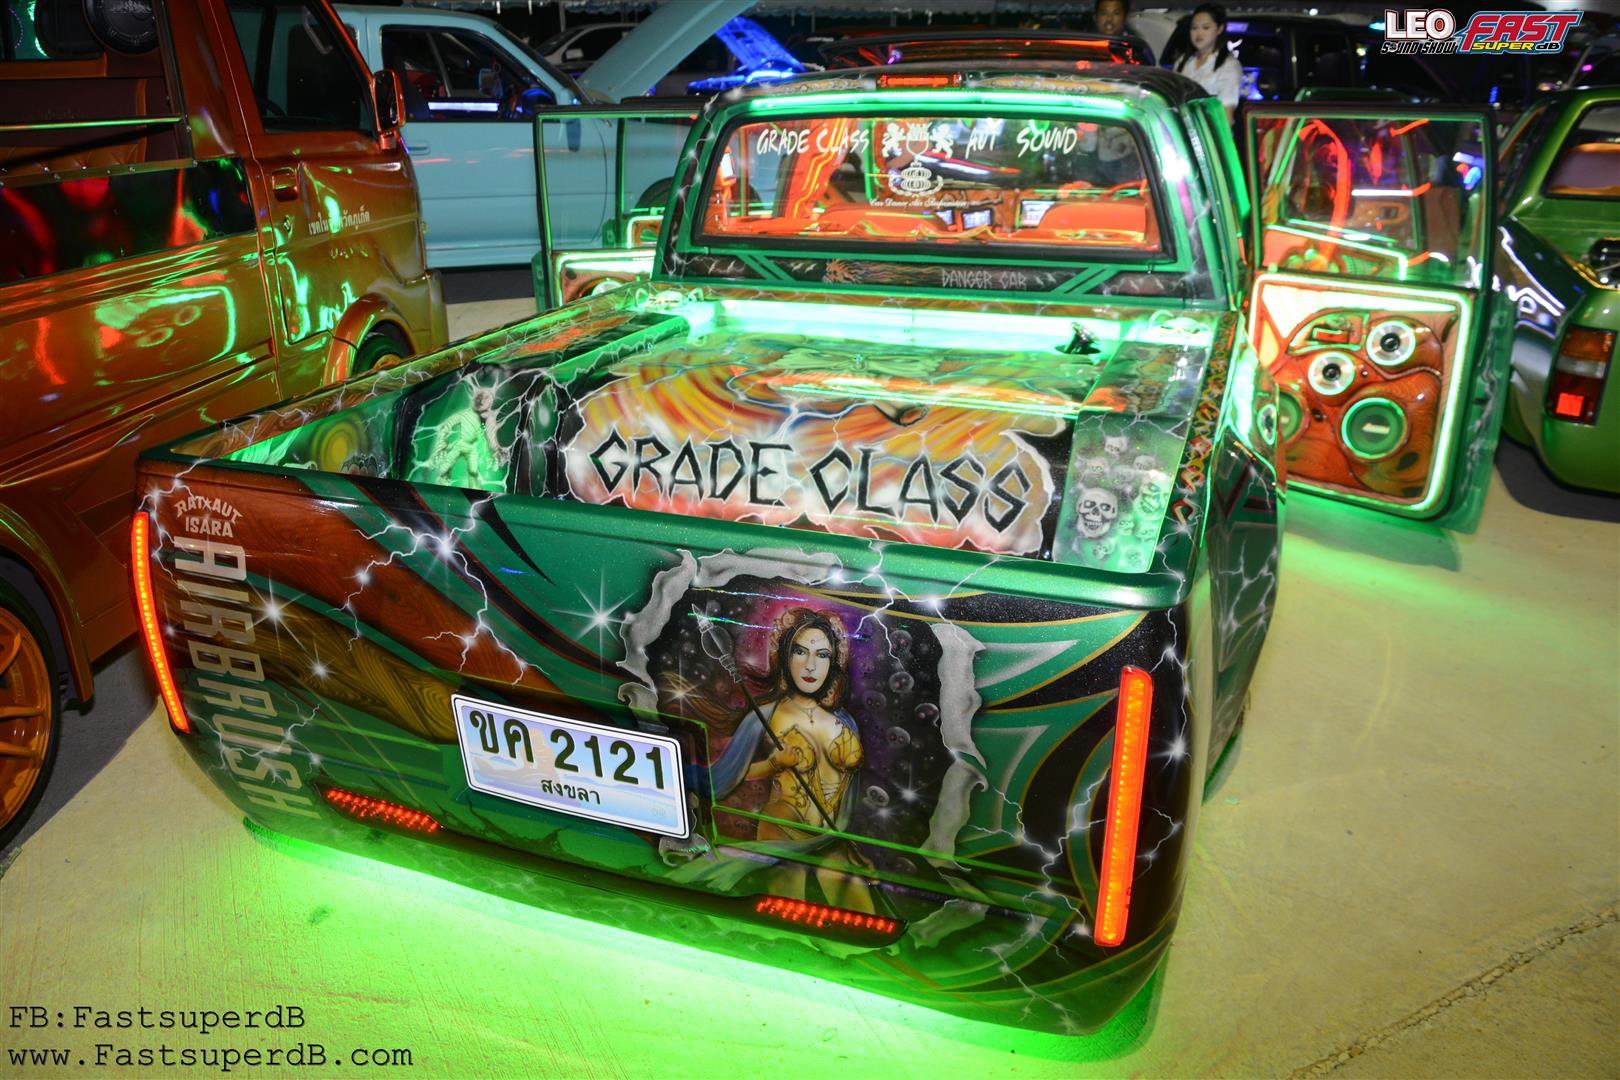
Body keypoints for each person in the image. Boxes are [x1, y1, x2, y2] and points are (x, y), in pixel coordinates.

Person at [701, 606, 876, 911]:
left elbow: (847, 797)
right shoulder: (766, 716)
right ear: (785, 657)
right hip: (781, 825)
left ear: (833, 663)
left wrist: (850, 845)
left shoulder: (845, 723)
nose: (810, 665)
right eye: (800, 652)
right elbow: (727, 777)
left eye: (822, 655)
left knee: (859, 912)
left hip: (827, 837)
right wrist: (774, 764)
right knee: (787, 912)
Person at [1173, 3, 1241, 120]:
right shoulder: (1182, 62)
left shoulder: (1228, 65)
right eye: (1194, 28)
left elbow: (1226, 114)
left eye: (1206, 27)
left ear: (1219, 29)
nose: (1199, 33)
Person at [1091, 0, 1156, 65]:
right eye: (1104, 13)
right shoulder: (1086, 43)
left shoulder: (1135, 47)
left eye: (1116, 13)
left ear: (1125, 18)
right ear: (1095, 17)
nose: (1109, 19)